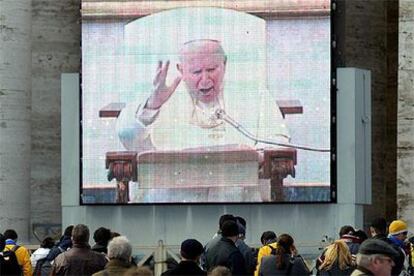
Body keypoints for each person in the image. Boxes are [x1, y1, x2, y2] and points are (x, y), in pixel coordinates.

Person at [116, 39, 289, 152]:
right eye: (196, 72)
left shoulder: (253, 92)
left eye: (212, 70)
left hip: (237, 194)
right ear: (181, 70)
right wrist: (153, 105)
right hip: (175, 197)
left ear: (224, 64)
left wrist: (254, 159)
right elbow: (127, 137)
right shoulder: (159, 93)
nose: (205, 79)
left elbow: (278, 139)